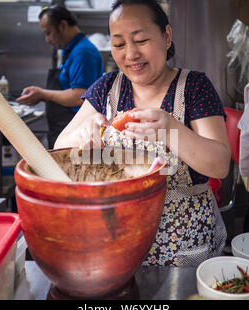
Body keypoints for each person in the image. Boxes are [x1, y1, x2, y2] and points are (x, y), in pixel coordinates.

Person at [55, 0, 231, 266]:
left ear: (167, 36)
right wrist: (83, 134)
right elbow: (60, 147)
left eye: (141, 40)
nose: (130, 54)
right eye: (119, 44)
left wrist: (171, 129)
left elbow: (219, 165)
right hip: (119, 240)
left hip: (185, 244)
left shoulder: (194, 87)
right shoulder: (107, 88)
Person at [16, 5, 104, 149]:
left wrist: (42, 93)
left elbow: (79, 96)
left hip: (76, 127)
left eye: (48, 33)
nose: (47, 39)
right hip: (64, 125)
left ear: (63, 25)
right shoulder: (70, 50)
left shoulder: (83, 53)